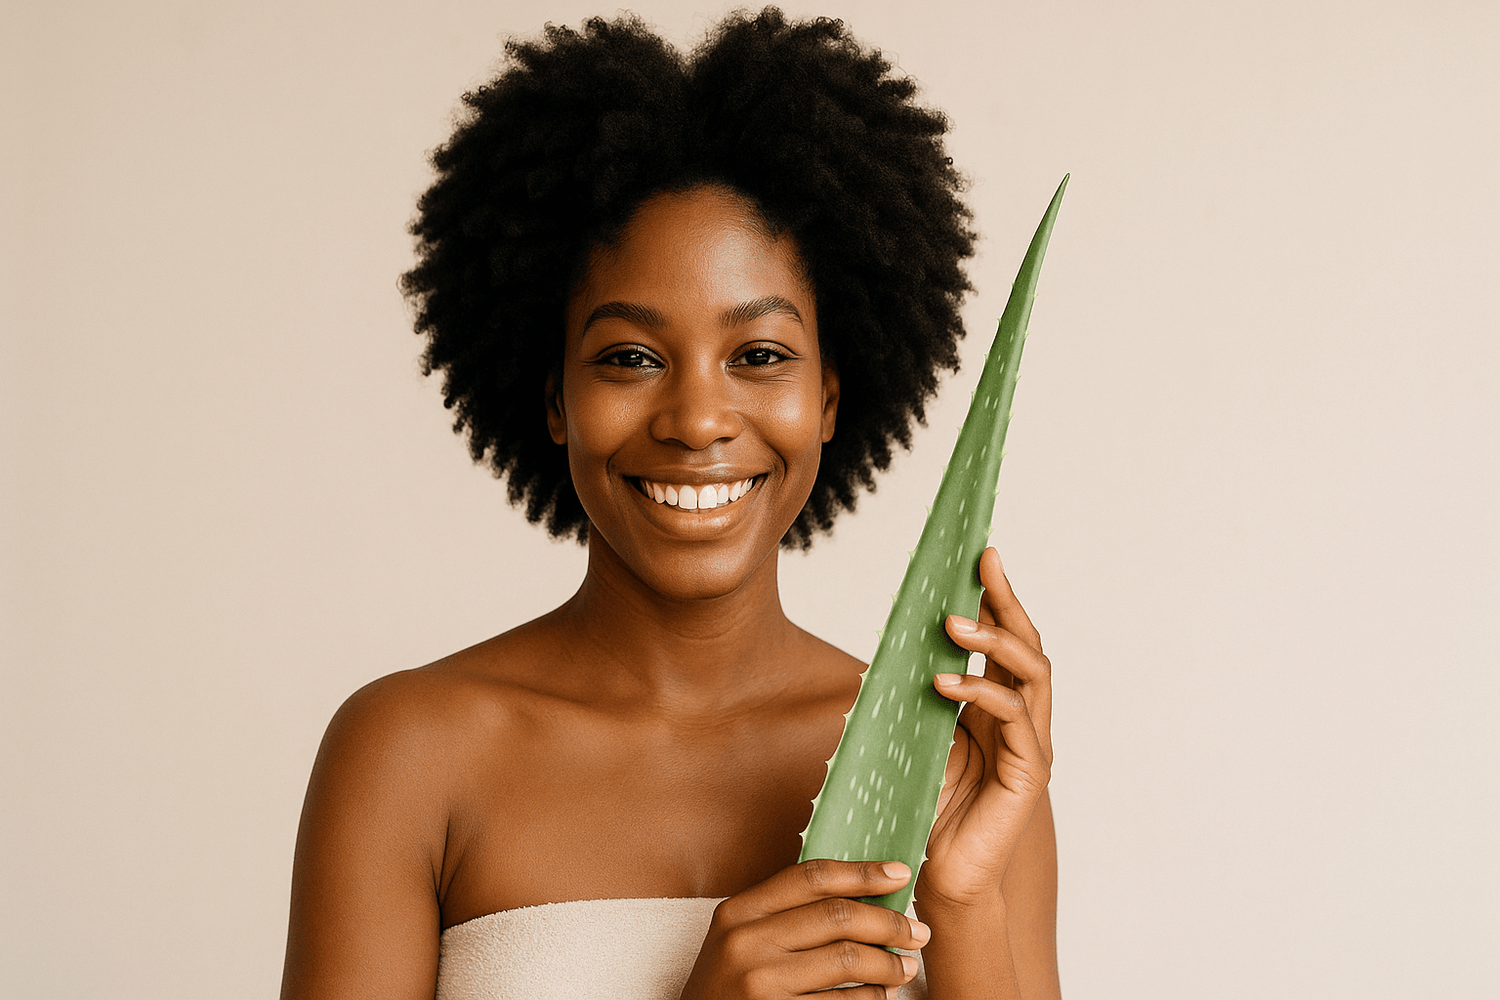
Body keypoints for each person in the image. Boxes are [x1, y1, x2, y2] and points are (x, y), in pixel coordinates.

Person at [280, 9, 1057, 999]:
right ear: (555, 398)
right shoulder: (409, 757)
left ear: (828, 397)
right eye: (629, 358)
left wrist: (961, 904)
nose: (697, 418)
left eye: (761, 356)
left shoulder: (963, 770)